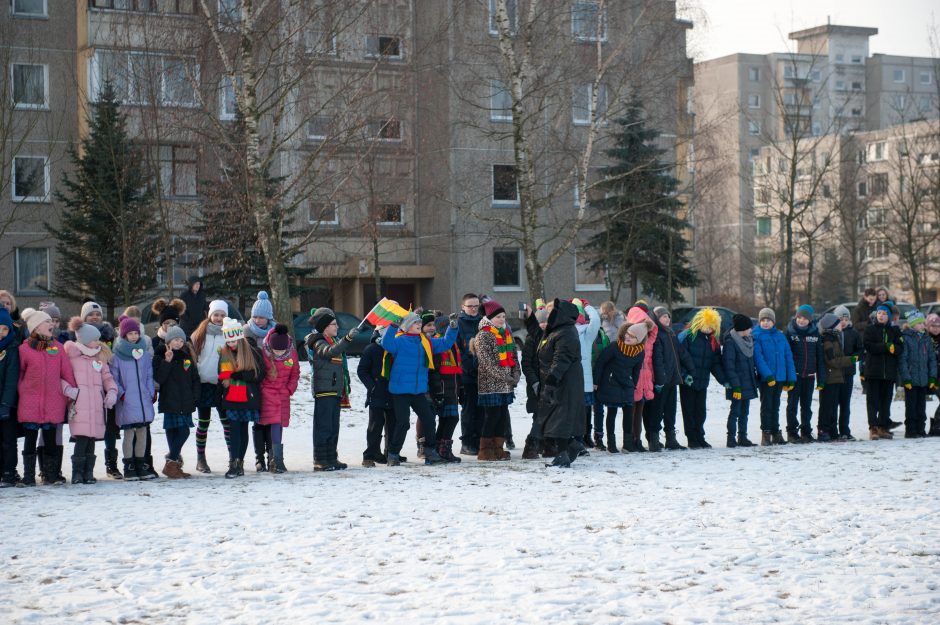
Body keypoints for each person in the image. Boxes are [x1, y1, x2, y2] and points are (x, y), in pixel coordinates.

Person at [381, 311, 457, 466]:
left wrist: (453, 327)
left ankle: (430, 452)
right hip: (400, 390)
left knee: (429, 419)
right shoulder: (399, 341)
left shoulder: (426, 342)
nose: (419, 325)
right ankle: (393, 453)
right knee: (403, 423)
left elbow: (445, 343)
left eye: (419, 323)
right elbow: (386, 343)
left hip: (418, 390)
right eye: (415, 323)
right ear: (407, 326)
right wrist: (393, 326)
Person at [17, 308, 78, 486]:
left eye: (52, 321)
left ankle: (51, 474)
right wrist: (23, 391)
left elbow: (67, 373)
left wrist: (71, 394)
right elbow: (19, 375)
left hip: (53, 402)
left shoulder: (58, 348)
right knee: (30, 440)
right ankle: (28, 475)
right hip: (30, 403)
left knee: (50, 440)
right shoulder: (24, 349)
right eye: (47, 322)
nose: (51, 324)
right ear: (35, 328)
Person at [63, 318, 118, 484]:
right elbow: (61, 377)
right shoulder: (72, 357)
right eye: (95, 340)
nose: (98, 342)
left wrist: (112, 392)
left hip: (96, 406)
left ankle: (88, 472)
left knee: (92, 440)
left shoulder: (98, 358)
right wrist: (70, 391)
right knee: (82, 439)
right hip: (79, 405)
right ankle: (77, 473)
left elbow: (107, 378)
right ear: (85, 340)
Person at [307, 307, 361, 471]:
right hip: (324, 390)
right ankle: (320, 459)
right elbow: (329, 352)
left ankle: (331, 458)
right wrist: (348, 338)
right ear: (324, 327)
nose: (337, 327)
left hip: (335, 389)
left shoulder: (332, 340)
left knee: (333, 426)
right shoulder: (317, 341)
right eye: (333, 324)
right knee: (323, 427)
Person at [534, 299, 585, 467]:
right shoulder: (556, 331)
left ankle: (564, 453)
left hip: (564, 382)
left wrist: (551, 381)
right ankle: (569, 448)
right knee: (557, 419)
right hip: (559, 381)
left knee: (560, 419)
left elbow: (561, 359)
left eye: (552, 312)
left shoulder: (566, 332)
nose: (549, 315)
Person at [110, 316, 157, 480]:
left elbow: (149, 375)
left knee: (143, 432)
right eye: (130, 334)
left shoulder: (143, 354)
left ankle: (140, 463)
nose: (134, 336)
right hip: (127, 401)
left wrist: (150, 392)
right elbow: (114, 378)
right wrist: (121, 394)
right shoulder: (117, 356)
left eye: (136, 333)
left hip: (143, 400)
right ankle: (129, 465)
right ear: (124, 336)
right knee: (129, 434)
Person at [473, 300, 521, 461]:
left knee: (502, 416)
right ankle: (485, 450)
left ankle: (498, 448)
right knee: (491, 416)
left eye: (504, 316)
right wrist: (505, 377)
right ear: (489, 318)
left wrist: (516, 374)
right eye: (498, 317)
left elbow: (514, 356)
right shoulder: (483, 335)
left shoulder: (506, 333)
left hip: (506, 385)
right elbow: (487, 363)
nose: (502, 319)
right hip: (490, 384)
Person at [218, 317, 264, 478]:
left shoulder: (252, 352)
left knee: (243, 430)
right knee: (234, 431)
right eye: (228, 342)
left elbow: (259, 374)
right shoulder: (224, 354)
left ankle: (239, 462)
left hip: (247, 398)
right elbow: (221, 376)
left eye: (234, 342)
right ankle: (233, 461)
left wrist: (241, 375)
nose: (231, 345)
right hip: (231, 398)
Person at [153, 325, 200, 479]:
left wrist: (195, 396)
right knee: (176, 432)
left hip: (185, 402)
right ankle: (172, 462)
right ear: (168, 341)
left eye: (181, 340)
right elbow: (159, 379)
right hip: (170, 401)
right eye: (175, 340)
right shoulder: (160, 356)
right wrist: (167, 361)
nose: (179, 343)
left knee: (183, 431)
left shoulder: (186, 357)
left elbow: (194, 378)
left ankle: (172, 464)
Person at [593, 321, 646, 453]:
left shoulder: (640, 352)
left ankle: (627, 444)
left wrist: (633, 383)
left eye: (632, 336)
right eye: (627, 334)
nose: (628, 337)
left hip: (627, 385)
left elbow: (636, 370)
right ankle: (611, 444)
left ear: (638, 340)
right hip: (611, 383)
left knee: (629, 412)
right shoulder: (614, 347)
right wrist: (596, 381)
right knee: (612, 412)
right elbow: (601, 363)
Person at [190, 299, 230, 473]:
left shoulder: (230, 334)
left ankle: (233, 458)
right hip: (204, 384)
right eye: (216, 314)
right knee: (203, 423)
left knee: (227, 423)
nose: (219, 318)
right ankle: (201, 459)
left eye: (222, 315)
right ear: (210, 315)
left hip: (222, 385)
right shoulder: (199, 334)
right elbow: (193, 356)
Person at [678, 307, 726, 449]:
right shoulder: (687, 337)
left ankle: (700, 436)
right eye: (706, 325)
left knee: (700, 411)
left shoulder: (712, 342)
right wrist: (684, 376)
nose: (708, 329)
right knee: (689, 410)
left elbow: (715, 363)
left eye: (711, 327)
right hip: (688, 382)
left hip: (702, 382)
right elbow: (678, 359)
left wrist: (724, 380)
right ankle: (692, 438)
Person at [651, 307, 695, 450]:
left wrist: (691, 370)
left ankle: (671, 438)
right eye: (664, 317)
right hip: (662, 381)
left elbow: (681, 354)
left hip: (673, 379)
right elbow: (657, 359)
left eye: (668, 317)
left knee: (671, 410)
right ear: (657, 319)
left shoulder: (671, 334)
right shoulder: (657, 335)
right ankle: (654, 439)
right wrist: (660, 379)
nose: (667, 320)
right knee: (657, 410)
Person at [259, 324, 300, 473]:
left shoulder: (292, 354)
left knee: (279, 424)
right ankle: (274, 459)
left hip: (283, 394)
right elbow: (260, 372)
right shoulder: (264, 352)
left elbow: (295, 374)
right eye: (276, 350)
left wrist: (289, 389)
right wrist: (263, 389)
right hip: (267, 393)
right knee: (272, 424)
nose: (278, 353)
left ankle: (276, 459)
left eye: (281, 350)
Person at [244, 292, 277, 471]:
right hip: (254, 381)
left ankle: (272, 454)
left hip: (272, 382)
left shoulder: (276, 332)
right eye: (255, 316)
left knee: (271, 421)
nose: (257, 320)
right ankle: (259, 458)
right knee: (258, 422)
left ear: (269, 317)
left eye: (261, 317)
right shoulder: (246, 330)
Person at [423, 312, 463, 462]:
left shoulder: (453, 346)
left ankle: (442, 448)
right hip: (441, 388)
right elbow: (434, 371)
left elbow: (458, 368)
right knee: (447, 418)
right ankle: (438, 449)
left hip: (452, 387)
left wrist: (461, 388)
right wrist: (438, 390)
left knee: (450, 418)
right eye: (447, 326)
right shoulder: (437, 345)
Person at [753, 307, 795, 446]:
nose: (766, 323)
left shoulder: (780, 336)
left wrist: (791, 377)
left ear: (773, 322)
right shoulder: (756, 335)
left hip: (780, 377)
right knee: (766, 406)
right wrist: (767, 375)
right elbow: (758, 358)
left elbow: (788, 357)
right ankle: (766, 432)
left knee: (776, 405)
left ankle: (775, 431)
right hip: (767, 379)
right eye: (763, 320)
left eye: (768, 320)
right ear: (759, 321)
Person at [785, 304, 826, 444]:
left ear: (810, 320)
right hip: (794, 376)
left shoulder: (815, 334)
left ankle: (806, 431)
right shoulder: (790, 333)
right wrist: (787, 377)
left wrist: (821, 378)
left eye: (805, 318)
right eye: (799, 317)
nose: (801, 320)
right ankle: (792, 432)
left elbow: (819, 357)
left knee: (806, 406)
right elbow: (786, 356)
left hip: (809, 376)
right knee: (792, 405)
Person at [357, 327, 396, 467]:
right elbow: (362, 370)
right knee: (375, 426)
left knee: (393, 425)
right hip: (377, 392)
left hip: (393, 392)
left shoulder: (395, 347)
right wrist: (372, 386)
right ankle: (369, 454)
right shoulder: (371, 349)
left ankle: (391, 452)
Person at [864, 303, 902, 440]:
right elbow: (869, 346)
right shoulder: (870, 329)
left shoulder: (895, 331)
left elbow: (900, 348)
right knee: (872, 400)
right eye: (879, 313)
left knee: (886, 401)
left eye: (884, 313)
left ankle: (882, 426)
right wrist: (886, 346)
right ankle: (873, 427)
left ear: (889, 317)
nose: (881, 315)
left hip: (889, 373)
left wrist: (894, 348)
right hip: (873, 371)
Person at [817, 314, 856, 442]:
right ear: (832, 326)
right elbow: (832, 360)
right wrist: (849, 360)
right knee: (827, 406)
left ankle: (833, 432)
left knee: (833, 406)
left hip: (836, 377)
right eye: (838, 323)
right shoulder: (828, 340)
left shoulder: (835, 338)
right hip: (830, 378)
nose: (842, 325)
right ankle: (823, 431)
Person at [898, 311, 936, 438]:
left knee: (921, 406)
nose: (922, 325)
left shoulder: (926, 339)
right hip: (911, 380)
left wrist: (932, 377)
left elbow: (931, 359)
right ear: (912, 325)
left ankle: (921, 429)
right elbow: (903, 360)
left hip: (923, 379)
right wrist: (906, 378)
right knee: (911, 407)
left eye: (923, 323)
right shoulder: (906, 338)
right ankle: (911, 430)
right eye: (919, 323)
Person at [722, 313, 757, 448]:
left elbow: (750, 364)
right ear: (742, 328)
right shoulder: (731, 342)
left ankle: (743, 437)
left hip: (747, 383)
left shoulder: (748, 340)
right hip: (737, 385)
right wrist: (735, 386)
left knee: (745, 412)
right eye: (749, 328)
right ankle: (731, 438)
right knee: (735, 411)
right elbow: (729, 366)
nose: (751, 330)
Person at [455, 293, 482, 455]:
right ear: (463, 307)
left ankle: (479, 441)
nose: (473, 309)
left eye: (475, 306)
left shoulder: (483, 322)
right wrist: (469, 367)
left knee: (481, 410)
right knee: (469, 409)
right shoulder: (458, 324)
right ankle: (467, 443)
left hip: (483, 373)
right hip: (466, 374)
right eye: (470, 306)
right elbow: (458, 349)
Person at [521, 307, 549, 459]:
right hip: (536, 385)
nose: (543, 325)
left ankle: (543, 444)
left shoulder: (551, 338)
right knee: (538, 416)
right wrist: (534, 382)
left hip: (548, 384)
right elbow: (526, 364)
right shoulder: (531, 339)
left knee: (546, 416)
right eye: (541, 322)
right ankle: (532, 445)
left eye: (546, 322)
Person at [834, 305, 863, 440]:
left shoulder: (854, 333)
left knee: (845, 403)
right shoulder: (832, 333)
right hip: (834, 373)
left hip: (848, 373)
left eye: (845, 318)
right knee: (834, 403)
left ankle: (845, 430)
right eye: (840, 318)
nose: (843, 321)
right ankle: (832, 430)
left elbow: (860, 349)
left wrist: (855, 357)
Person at [0, 308, 20, 487]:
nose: (1, 333)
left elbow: (12, 378)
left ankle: (9, 471)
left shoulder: (12, 348)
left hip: (7, 404)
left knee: (8, 440)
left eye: (5, 329)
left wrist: (6, 403)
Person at [927, 314, 940, 437]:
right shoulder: (926, 339)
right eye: (933, 326)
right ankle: (936, 426)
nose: (936, 328)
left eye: (938, 326)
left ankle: (937, 425)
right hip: (931, 377)